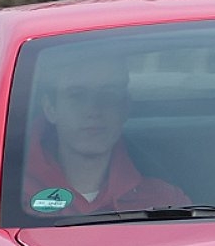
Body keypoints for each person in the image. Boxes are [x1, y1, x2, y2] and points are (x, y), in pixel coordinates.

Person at [19, 40, 183, 215]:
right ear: (50, 108)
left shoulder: (164, 202)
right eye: (77, 96)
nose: (93, 110)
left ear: (125, 107)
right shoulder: (7, 192)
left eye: (108, 94)